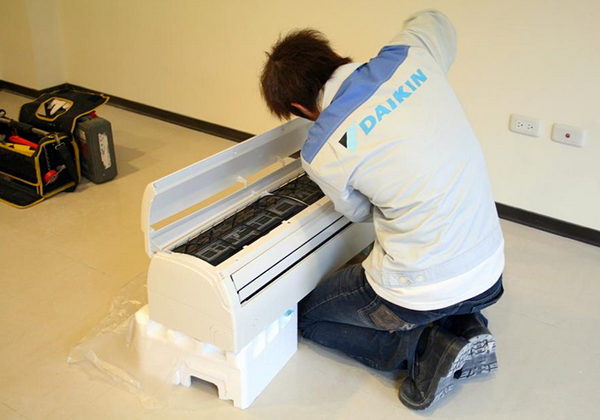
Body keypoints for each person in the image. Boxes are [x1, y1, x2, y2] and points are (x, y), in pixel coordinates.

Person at [259, 10, 504, 410]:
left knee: (307, 317)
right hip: (489, 268)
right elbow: (436, 20)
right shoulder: (411, 54)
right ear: (332, 55)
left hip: (418, 291)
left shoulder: (322, 149)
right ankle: (466, 324)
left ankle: (423, 347)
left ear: (299, 107)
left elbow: (358, 213)